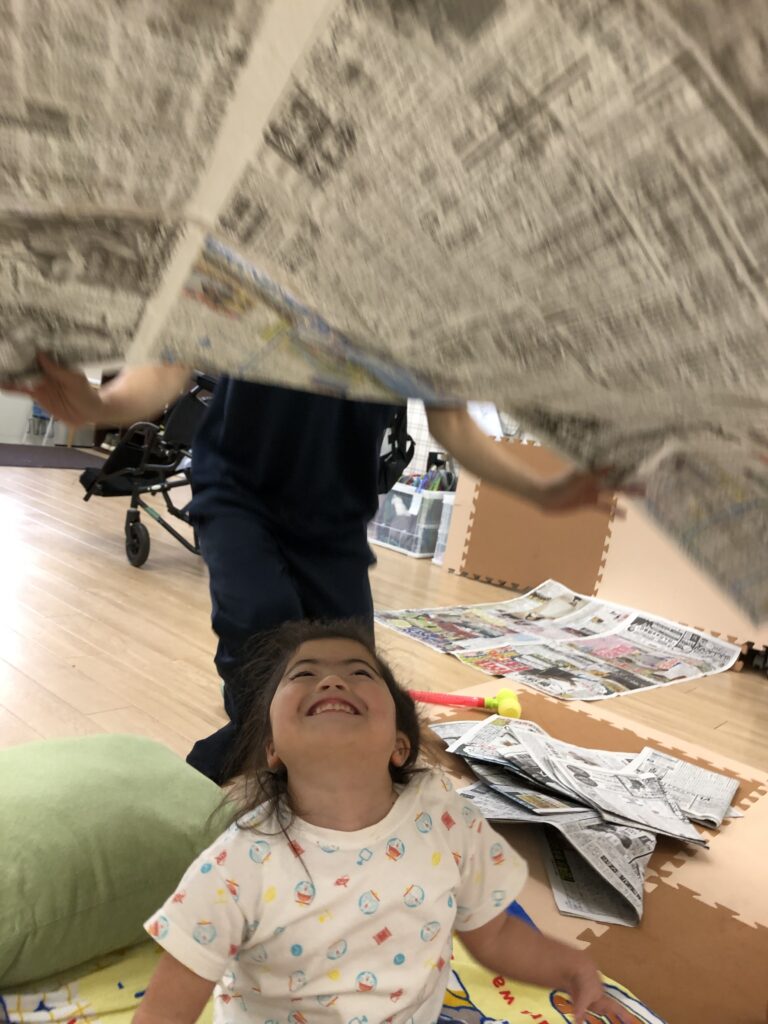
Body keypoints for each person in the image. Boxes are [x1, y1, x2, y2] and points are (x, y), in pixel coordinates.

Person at [6, 356, 618, 783]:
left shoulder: (418, 304)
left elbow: (453, 424)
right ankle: (213, 780)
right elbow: (170, 368)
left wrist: (542, 491)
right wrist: (98, 403)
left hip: (336, 523)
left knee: (354, 676)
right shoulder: (252, 262)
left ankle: (284, 758)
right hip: (239, 493)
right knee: (265, 637)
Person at [135, 619, 633, 1024]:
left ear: (399, 744)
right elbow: (164, 1013)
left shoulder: (444, 815)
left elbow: (497, 935)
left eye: (360, 672)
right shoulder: (237, 864)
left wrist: (575, 968)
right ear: (273, 750)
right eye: (303, 674)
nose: (332, 681)